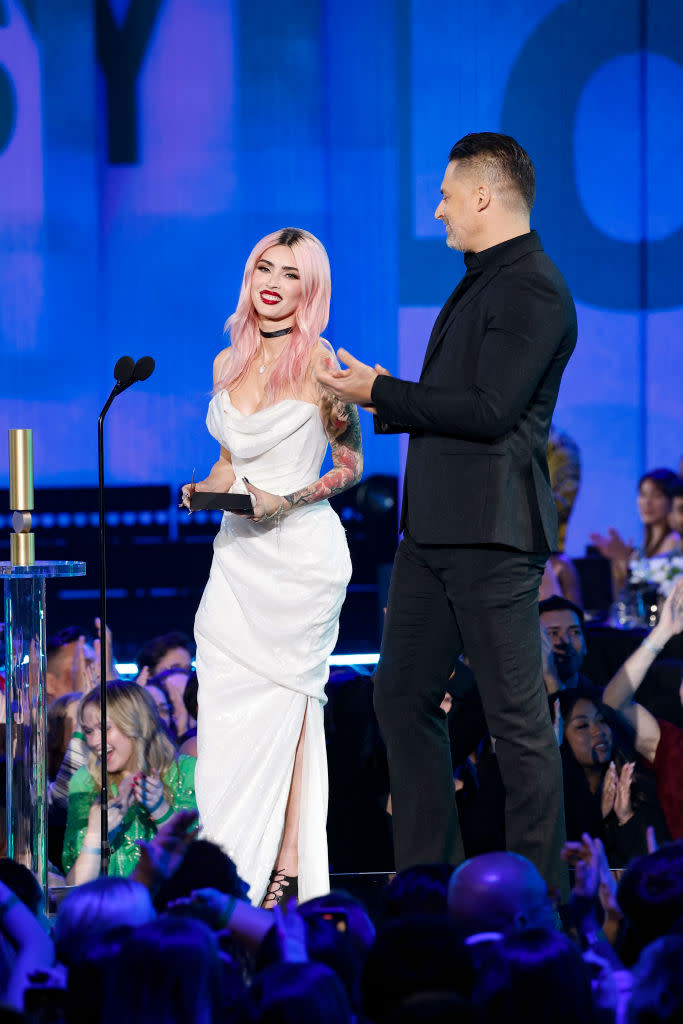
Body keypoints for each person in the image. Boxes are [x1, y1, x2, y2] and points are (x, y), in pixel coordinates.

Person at [317, 132, 577, 894]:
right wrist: (382, 391)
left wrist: (380, 394)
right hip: (433, 532)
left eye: (444, 194)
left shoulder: (531, 285)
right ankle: (432, 879)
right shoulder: (483, 279)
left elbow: (492, 410)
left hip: (491, 535)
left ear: (483, 196)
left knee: (516, 721)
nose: (436, 210)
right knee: (398, 697)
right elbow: (465, 399)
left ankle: (538, 899)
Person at [180, 227, 362, 907]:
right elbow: (229, 459)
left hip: (300, 561)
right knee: (224, 711)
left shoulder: (323, 365)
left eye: (289, 273)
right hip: (236, 558)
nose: (272, 282)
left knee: (290, 706)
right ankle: (229, 863)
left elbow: (350, 467)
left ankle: (285, 857)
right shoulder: (230, 361)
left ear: (308, 289)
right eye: (263, 266)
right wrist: (206, 489)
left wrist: (283, 499)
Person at [62, 681, 197, 882]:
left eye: (104, 728)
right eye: (89, 731)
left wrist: (160, 809)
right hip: (111, 911)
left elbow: (201, 865)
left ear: (137, 724)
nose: (94, 741)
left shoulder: (186, 771)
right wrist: (95, 834)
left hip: (173, 909)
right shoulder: (87, 781)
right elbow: (77, 889)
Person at [590, 468, 681, 597]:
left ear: (672, 501)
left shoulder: (676, 542)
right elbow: (623, 597)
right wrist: (618, 564)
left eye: (657, 495)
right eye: (643, 494)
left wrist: (628, 564)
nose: (647, 502)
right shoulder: (641, 550)